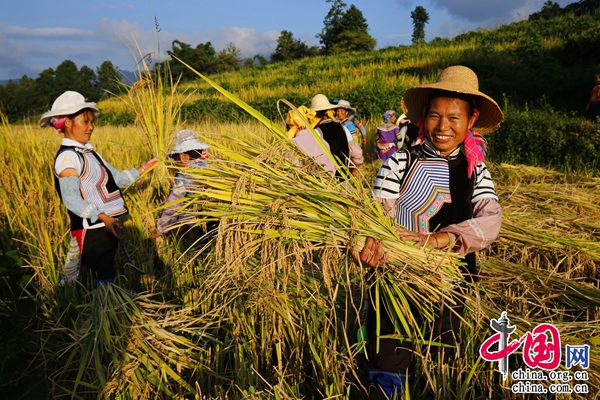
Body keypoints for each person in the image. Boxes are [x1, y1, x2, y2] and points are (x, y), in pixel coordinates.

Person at [353, 65, 504, 397]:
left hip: (452, 285)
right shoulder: (399, 163)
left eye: (454, 118)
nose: (443, 126)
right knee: (388, 362)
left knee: (439, 366)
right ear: (424, 118)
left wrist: (441, 239)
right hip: (396, 283)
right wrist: (367, 242)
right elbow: (374, 214)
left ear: (470, 121)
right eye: (435, 116)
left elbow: (491, 218)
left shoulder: (475, 170)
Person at [40, 91, 159, 284]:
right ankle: (105, 310)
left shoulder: (90, 153)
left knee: (85, 273)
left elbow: (118, 179)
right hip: (92, 228)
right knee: (102, 276)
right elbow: (71, 199)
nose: (91, 127)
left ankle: (88, 305)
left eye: (92, 122)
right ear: (68, 123)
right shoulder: (68, 157)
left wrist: (147, 167)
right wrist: (103, 217)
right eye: (85, 122)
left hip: (103, 226)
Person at [155, 129, 214, 237]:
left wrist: (162, 228)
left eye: (175, 156)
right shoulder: (211, 167)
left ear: (183, 156)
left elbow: (173, 204)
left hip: (199, 222)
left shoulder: (184, 176)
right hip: (215, 215)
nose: (175, 161)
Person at [310, 94, 364, 177]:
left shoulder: (316, 132)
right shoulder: (343, 128)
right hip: (346, 176)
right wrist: (353, 170)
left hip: (328, 179)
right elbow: (356, 153)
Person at [285, 105, 337, 174]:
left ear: (290, 126)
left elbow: (291, 169)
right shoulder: (323, 142)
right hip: (328, 183)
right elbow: (332, 169)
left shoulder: (294, 143)